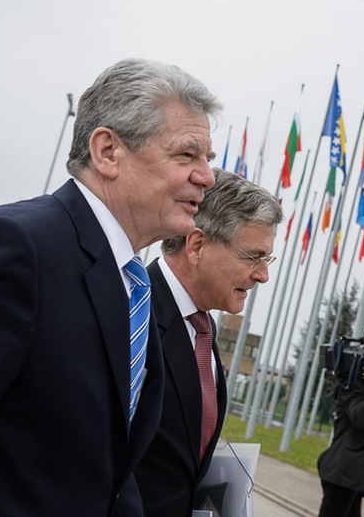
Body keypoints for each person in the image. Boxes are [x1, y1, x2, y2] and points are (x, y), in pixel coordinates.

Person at [0, 58, 221, 516]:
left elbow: (111, 472)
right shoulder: (15, 248)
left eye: (207, 160)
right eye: (186, 155)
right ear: (107, 151)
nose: (207, 177)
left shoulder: (134, 285)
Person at [135, 169, 282, 516]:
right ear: (197, 245)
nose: (263, 275)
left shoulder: (203, 329)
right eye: (253, 257)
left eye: (267, 259)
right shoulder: (130, 315)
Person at [317, 356, 364, 517]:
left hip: (351, 477)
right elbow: (360, 418)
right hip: (344, 476)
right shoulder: (352, 388)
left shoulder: (363, 389)